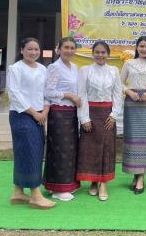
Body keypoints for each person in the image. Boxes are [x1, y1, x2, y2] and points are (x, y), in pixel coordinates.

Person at [6, 37, 54, 209]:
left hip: (40, 115)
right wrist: (34, 113)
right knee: (29, 151)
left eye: (36, 49)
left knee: (34, 150)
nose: (33, 52)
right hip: (22, 115)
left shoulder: (42, 69)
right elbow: (14, 94)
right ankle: (35, 194)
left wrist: (45, 111)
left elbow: (47, 91)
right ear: (22, 50)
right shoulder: (16, 68)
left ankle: (18, 192)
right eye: (29, 49)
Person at [76, 41, 123, 201]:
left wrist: (114, 114)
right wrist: (84, 118)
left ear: (108, 54)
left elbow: (117, 94)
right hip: (90, 112)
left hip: (108, 115)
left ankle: (103, 183)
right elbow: (81, 94)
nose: (100, 55)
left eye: (103, 52)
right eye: (97, 52)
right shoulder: (85, 70)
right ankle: (93, 182)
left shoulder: (114, 70)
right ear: (92, 53)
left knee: (107, 148)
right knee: (91, 149)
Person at [121, 36, 146, 194]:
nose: (144, 49)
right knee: (132, 139)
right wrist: (129, 91)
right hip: (131, 103)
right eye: (141, 46)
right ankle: (136, 174)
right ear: (136, 47)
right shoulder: (129, 63)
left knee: (145, 140)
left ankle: (141, 177)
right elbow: (120, 82)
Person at [43, 37, 81, 201]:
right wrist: (69, 95)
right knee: (60, 149)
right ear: (58, 49)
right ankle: (57, 188)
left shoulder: (74, 67)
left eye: (72, 48)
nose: (70, 51)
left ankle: (65, 185)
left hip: (72, 113)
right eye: (66, 47)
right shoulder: (54, 67)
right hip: (58, 113)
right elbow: (48, 92)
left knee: (70, 150)